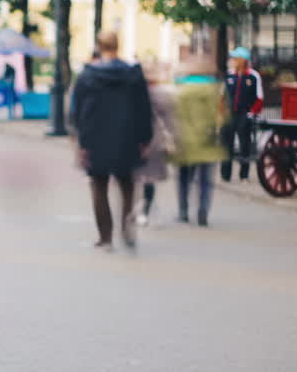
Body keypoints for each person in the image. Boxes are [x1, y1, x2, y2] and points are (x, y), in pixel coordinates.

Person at [72, 31, 152, 250]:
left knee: (99, 186)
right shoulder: (133, 74)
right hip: (127, 136)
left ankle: (105, 237)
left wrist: (82, 141)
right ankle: (127, 227)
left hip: (96, 138)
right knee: (127, 185)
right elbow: (144, 109)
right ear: (118, 45)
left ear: (99, 46)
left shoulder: (87, 76)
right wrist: (145, 138)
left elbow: (79, 111)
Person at [169, 58, 228, 227]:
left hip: (185, 141)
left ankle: (183, 211)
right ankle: (203, 212)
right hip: (208, 141)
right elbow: (223, 116)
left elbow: (173, 116)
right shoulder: (215, 90)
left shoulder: (181, 90)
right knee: (205, 180)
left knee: (183, 178)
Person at [136, 63, 174, 226]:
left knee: (142, 177)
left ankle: (144, 208)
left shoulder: (134, 93)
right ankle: (145, 208)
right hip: (152, 140)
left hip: (139, 140)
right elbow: (169, 119)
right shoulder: (160, 94)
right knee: (148, 178)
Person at [220, 46, 263, 182]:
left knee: (245, 145)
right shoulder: (229, 75)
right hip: (229, 114)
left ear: (242, 60)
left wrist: (252, 113)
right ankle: (225, 175)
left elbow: (259, 98)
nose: (232, 61)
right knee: (226, 145)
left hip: (244, 114)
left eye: (235, 58)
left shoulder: (253, 76)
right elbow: (222, 96)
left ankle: (244, 175)